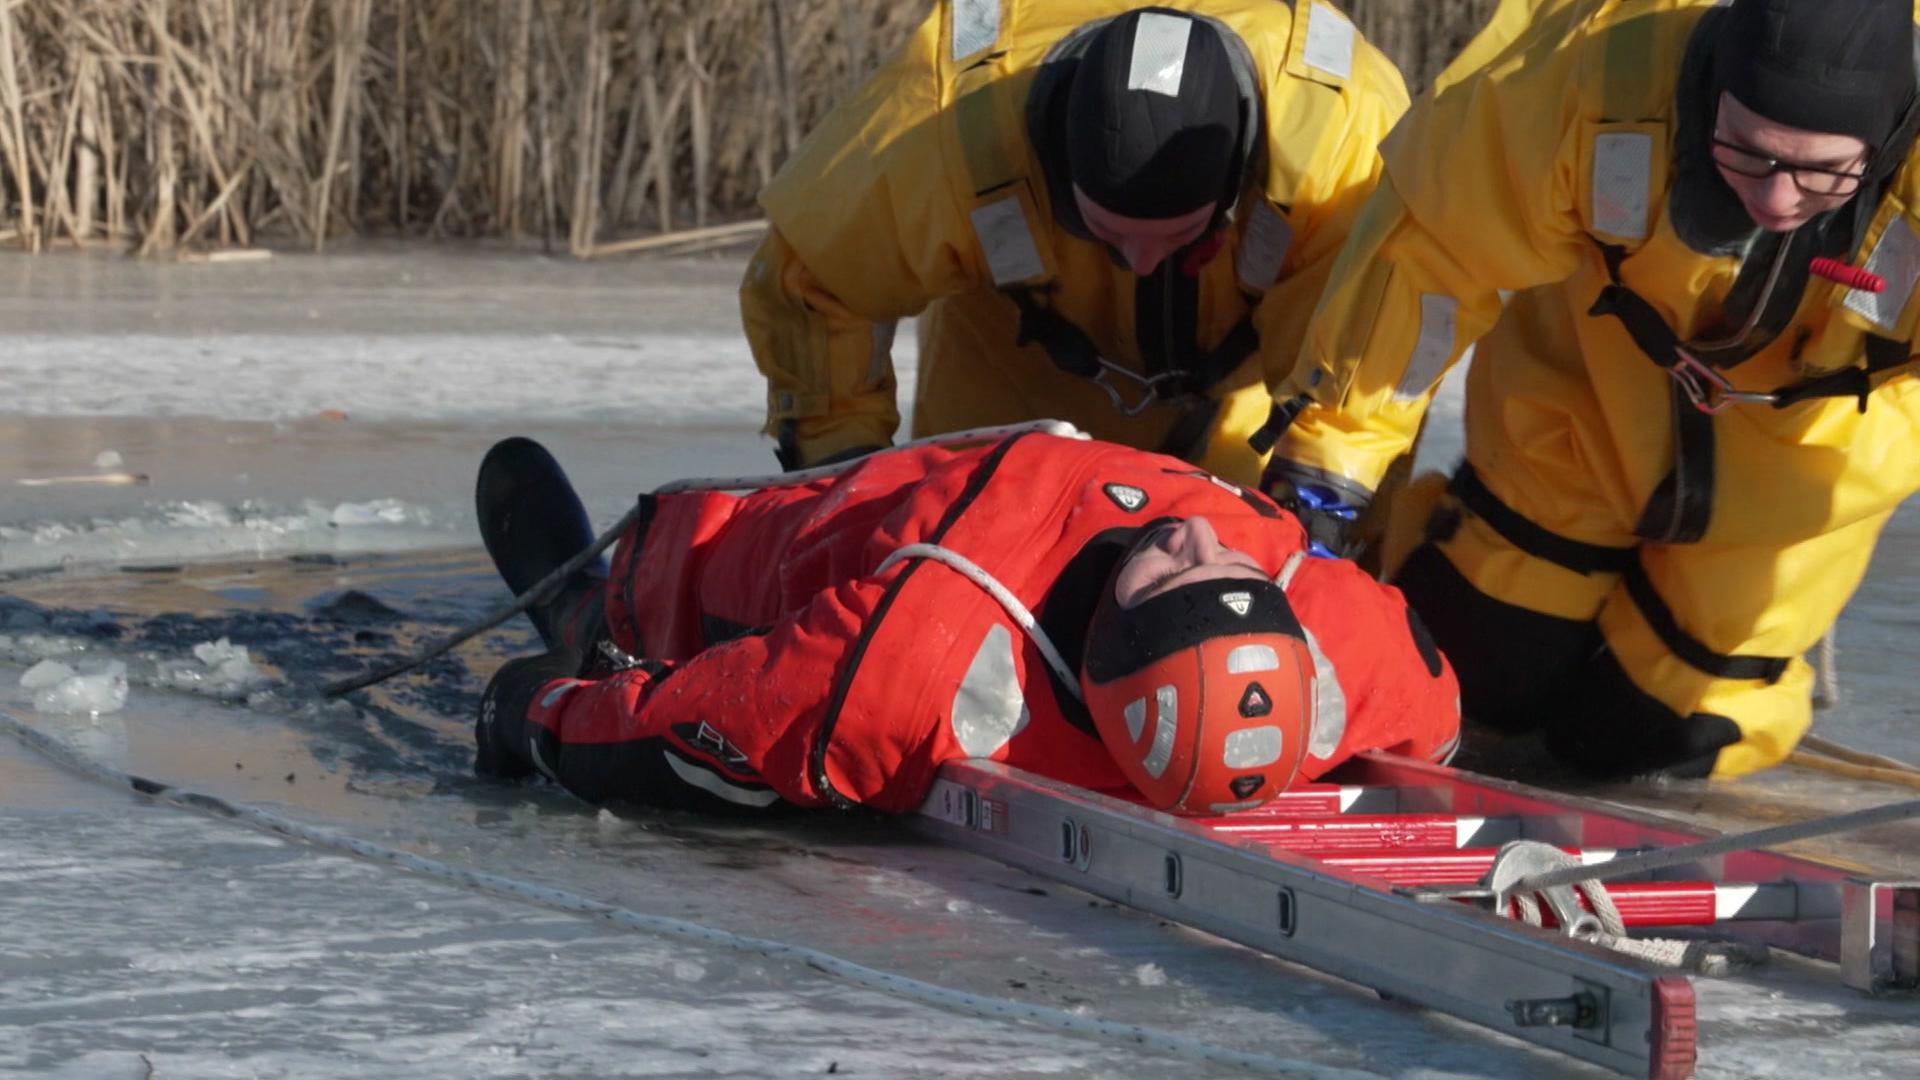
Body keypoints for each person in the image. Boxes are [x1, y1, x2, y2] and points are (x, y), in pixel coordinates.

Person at [1256, 0, 1920, 779]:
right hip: (1579, 417)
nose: (1776, 200)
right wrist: (1325, 473)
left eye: (1822, 173)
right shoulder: (1587, 75)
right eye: (1749, 153)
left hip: (1798, 481)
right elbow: (1427, 264)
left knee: (1648, 737)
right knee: (1475, 674)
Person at [471, 430, 1459, 816]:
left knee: (647, 595)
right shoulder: (1338, 643)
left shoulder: (916, 673)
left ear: (1108, 649)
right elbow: (1435, 711)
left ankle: (582, 604)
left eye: (1172, 575)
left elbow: (687, 732)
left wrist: (534, 714)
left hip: (732, 561)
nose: (1202, 535)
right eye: (1234, 569)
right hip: (970, 473)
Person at [741, 1, 1409, 488]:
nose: (1142, 261)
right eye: (1107, 234)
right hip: (1009, 373)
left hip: (1242, 400)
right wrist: (844, 468)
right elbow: (811, 281)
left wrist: (1328, 485)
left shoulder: (1340, 139)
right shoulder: (942, 123)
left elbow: (1373, 335)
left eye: (1178, 240)